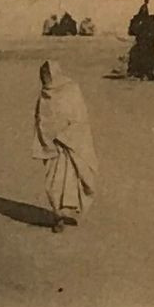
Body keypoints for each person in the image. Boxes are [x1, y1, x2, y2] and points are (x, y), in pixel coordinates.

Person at [34, 60, 99, 234]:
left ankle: (66, 211)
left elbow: (80, 116)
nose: (44, 80)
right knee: (54, 183)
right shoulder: (44, 94)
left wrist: (67, 135)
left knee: (73, 178)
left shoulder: (71, 89)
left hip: (71, 142)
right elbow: (41, 119)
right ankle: (58, 216)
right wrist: (48, 139)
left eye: (46, 76)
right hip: (54, 145)